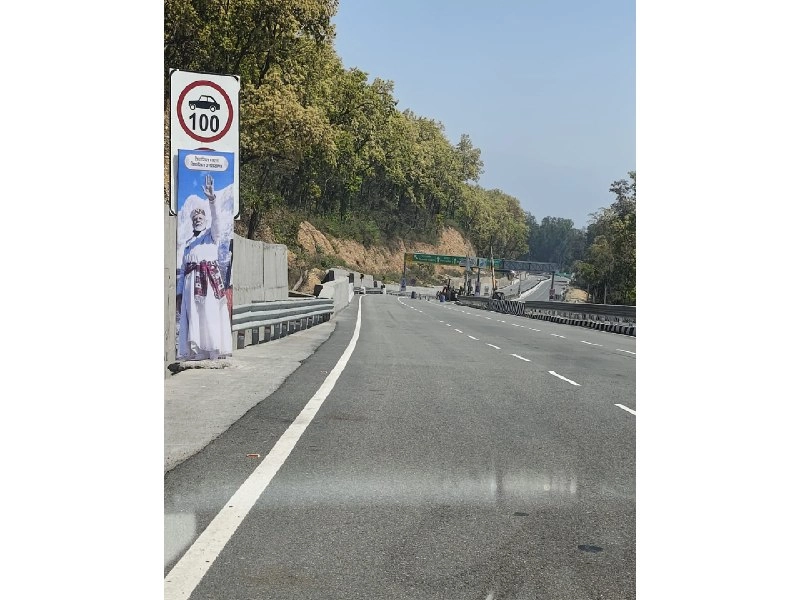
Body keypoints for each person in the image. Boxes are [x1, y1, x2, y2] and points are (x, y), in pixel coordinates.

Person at [176, 174, 233, 361]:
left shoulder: (212, 236)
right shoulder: (188, 244)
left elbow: (217, 220)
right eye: (195, 218)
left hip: (208, 282)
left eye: (200, 217)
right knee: (194, 317)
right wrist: (179, 293)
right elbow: (183, 269)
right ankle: (196, 351)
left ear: (205, 220)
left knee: (209, 314)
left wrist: (212, 200)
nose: (197, 220)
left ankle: (213, 350)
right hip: (190, 285)